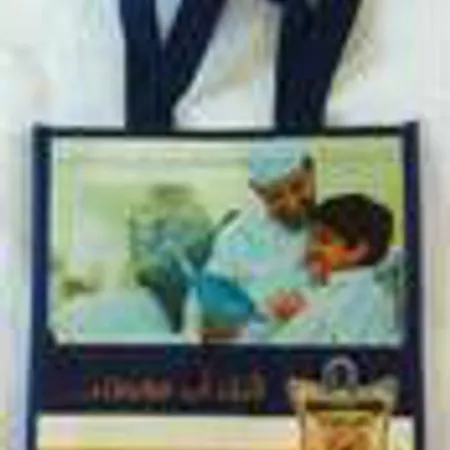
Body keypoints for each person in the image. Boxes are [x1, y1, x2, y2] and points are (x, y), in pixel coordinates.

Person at [183, 142, 316, 343]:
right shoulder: (237, 237)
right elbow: (203, 310)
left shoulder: (338, 221)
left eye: (298, 187)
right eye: (276, 197)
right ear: (257, 191)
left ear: (311, 173)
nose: (292, 204)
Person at [263, 193, 402, 345]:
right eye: (312, 239)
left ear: (357, 250)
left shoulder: (363, 297)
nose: (311, 248)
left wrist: (298, 316)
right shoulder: (326, 285)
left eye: (324, 241)